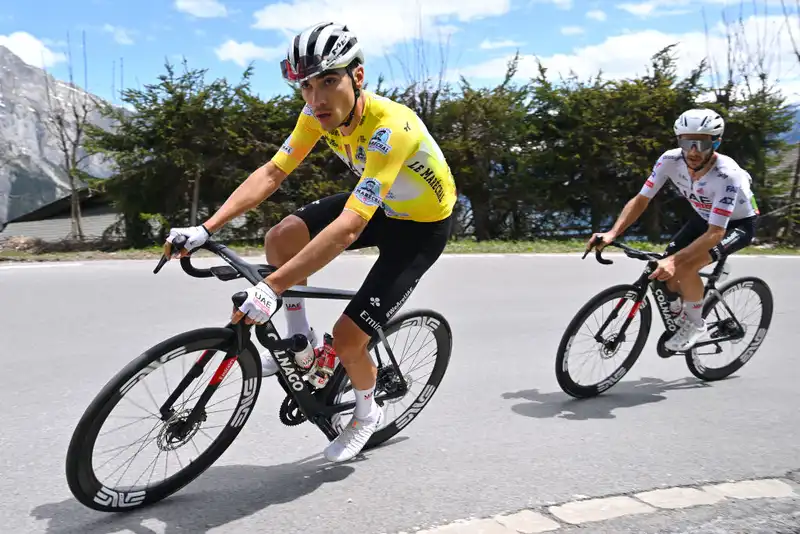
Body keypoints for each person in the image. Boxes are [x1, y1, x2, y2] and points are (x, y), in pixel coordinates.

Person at [162, 21, 457, 462]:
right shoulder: (315, 115)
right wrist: (206, 228)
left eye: (328, 82)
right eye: (305, 87)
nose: (316, 99)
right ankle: (301, 346)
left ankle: (365, 412)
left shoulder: (391, 128)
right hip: (383, 204)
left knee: (348, 339)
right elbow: (272, 172)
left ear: (356, 78)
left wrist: (273, 287)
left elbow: (350, 226)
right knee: (281, 236)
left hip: (420, 228)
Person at [586, 108, 759, 352]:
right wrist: (613, 233)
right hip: (703, 218)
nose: (693, 151)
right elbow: (641, 199)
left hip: (736, 225)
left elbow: (715, 234)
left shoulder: (727, 175)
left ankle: (696, 323)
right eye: (687, 142)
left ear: (716, 142)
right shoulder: (670, 160)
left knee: (684, 265)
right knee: (660, 270)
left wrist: (676, 261)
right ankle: (684, 304)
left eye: (702, 143)